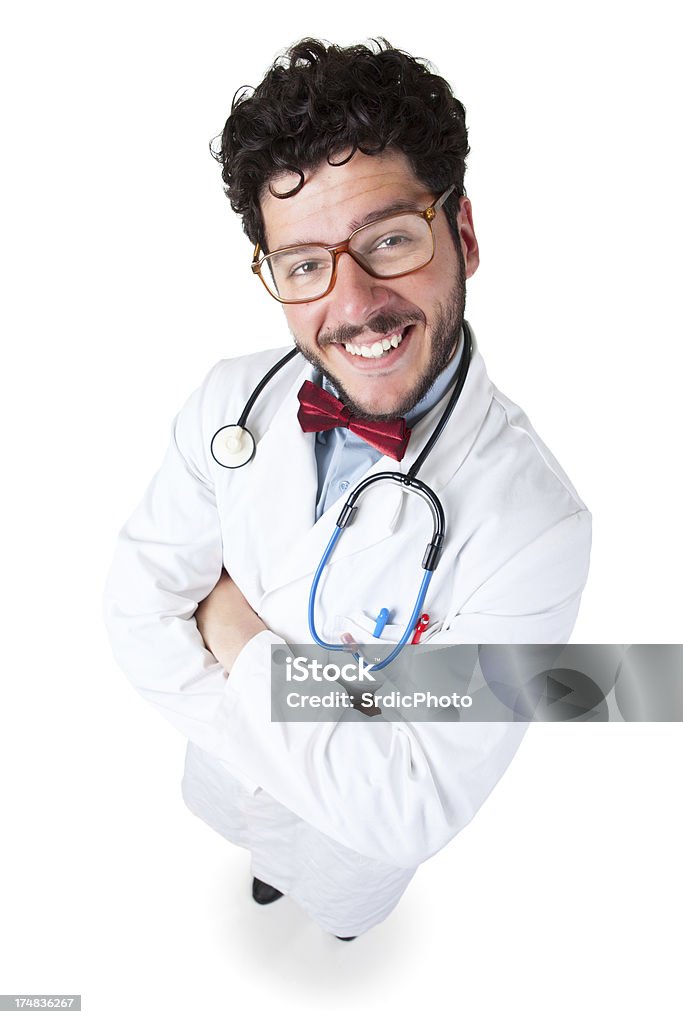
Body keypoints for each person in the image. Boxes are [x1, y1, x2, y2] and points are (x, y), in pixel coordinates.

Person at [103, 38, 592, 941]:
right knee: (251, 844)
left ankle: (334, 926)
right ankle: (263, 874)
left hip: (352, 848)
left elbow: (408, 807)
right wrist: (349, 727)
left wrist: (230, 630)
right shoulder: (230, 399)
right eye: (303, 265)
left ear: (464, 235)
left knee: (339, 907)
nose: (353, 303)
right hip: (228, 772)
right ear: (276, 277)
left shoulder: (535, 525)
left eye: (389, 241)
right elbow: (133, 617)